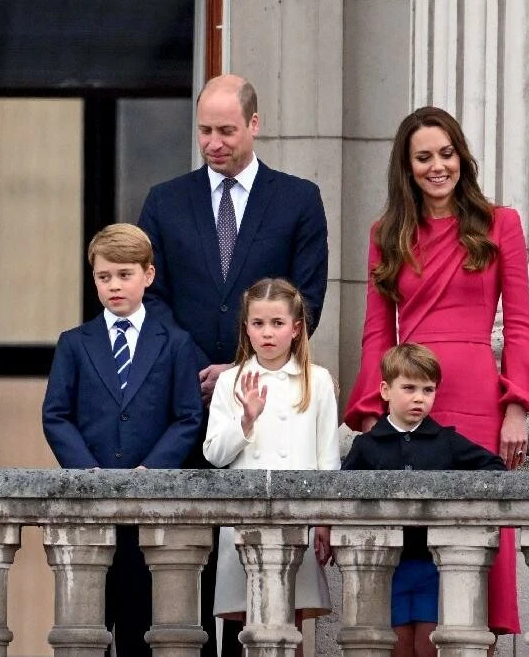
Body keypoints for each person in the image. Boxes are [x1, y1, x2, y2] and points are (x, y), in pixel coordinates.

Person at [137, 73, 329, 655]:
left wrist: (242, 366)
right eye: (204, 130)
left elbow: (308, 297)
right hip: (183, 401)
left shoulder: (298, 198)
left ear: (253, 124)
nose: (213, 142)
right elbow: (153, 295)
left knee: (266, 581)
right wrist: (204, 368)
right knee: (190, 565)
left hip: (270, 409)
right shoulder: (165, 200)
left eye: (225, 130)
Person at [343, 106, 529, 637]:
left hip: (478, 402)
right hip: (409, 398)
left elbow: (521, 324)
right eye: (423, 157)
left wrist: (517, 407)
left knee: (477, 544)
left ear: (461, 156)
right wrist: (373, 412)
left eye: (446, 153)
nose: (438, 166)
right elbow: (376, 333)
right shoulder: (385, 232)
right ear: (406, 167)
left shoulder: (501, 223)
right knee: (409, 546)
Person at [42, 223, 205, 657]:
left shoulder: (176, 343)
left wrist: (152, 471)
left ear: (148, 275)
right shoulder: (74, 343)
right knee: (86, 628)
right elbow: (56, 415)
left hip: (150, 509)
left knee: (142, 624)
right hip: (90, 507)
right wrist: (87, 472)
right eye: (104, 276)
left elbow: (188, 416)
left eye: (124, 274)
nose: (114, 285)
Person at [202, 278, 338, 654]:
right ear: (246, 326)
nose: (267, 333)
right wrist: (245, 421)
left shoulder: (318, 381)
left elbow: (327, 458)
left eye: (277, 323)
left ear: (296, 328)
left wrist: (325, 521)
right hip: (245, 520)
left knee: (290, 624)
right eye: (258, 323)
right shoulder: (231, 381)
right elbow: (214, 452)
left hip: (298, 519)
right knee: (250, 625)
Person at [342, 343, 506, 657]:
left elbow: (493, 468)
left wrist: (456, 504)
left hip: (434, 566)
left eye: (428, 389)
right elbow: (340, 495)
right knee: (397, 646)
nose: (419, 397)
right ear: (385, 390)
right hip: (386, 568)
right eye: (409, 388)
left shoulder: (447, 442)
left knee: (428, 646)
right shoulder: (367, 445)